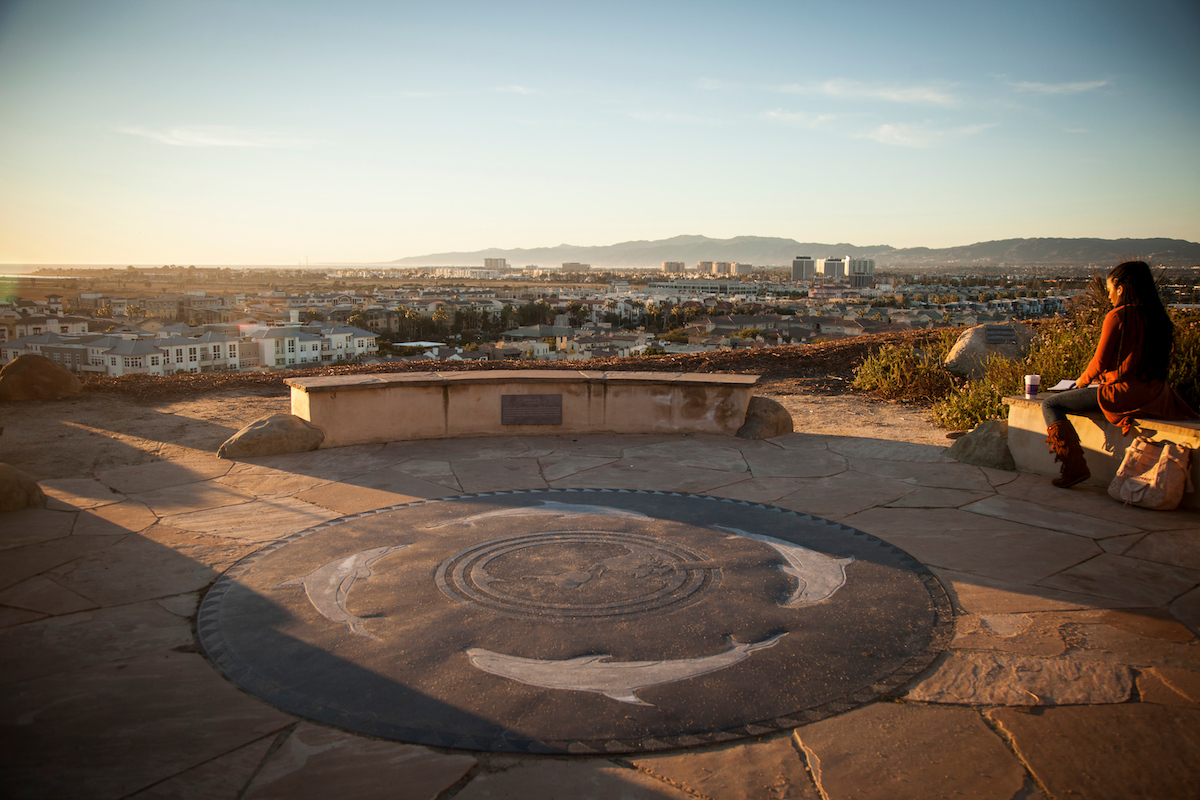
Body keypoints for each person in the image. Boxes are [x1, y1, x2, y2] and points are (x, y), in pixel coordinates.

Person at [1042, 260, 1198, 488]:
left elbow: (1099, 362)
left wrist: (1080, 382)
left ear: (1121, 289)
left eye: (1109, 290)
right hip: (1157, 392)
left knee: (1051, 404)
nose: (1109, 296)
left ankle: (1073, 466)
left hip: (1125, 393)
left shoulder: (1118, 316)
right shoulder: (1158, 317)